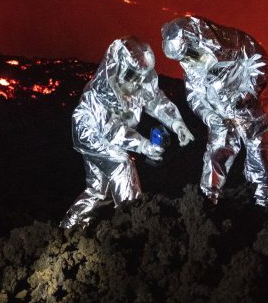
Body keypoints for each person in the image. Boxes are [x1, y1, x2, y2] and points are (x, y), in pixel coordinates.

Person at [60, 36, 193, 229]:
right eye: (132, 74)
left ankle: (70, 227)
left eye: (142, 75)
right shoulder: (101, 91)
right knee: (121, 165)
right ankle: (133, 221)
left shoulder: (139, 79)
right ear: (118, 66)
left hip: (106, 133)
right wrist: (144, 146)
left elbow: (156, 101)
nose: (138, 81)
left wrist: (177, 123)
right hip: (91, 132)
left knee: (99, 189)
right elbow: (112, 130)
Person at [161, 16, 268, 207]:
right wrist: (210, 116)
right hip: (220, 118)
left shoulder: (234, 42)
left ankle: (264, 203)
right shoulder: (191, 66)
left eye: (187, 53)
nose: (186, 60)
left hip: (249, 112)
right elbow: (194, 97)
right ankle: (206, 203)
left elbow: (261, 63)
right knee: (215, 157)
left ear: (196, 38)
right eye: (181, 58)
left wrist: (246, 95)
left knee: (259, 155)